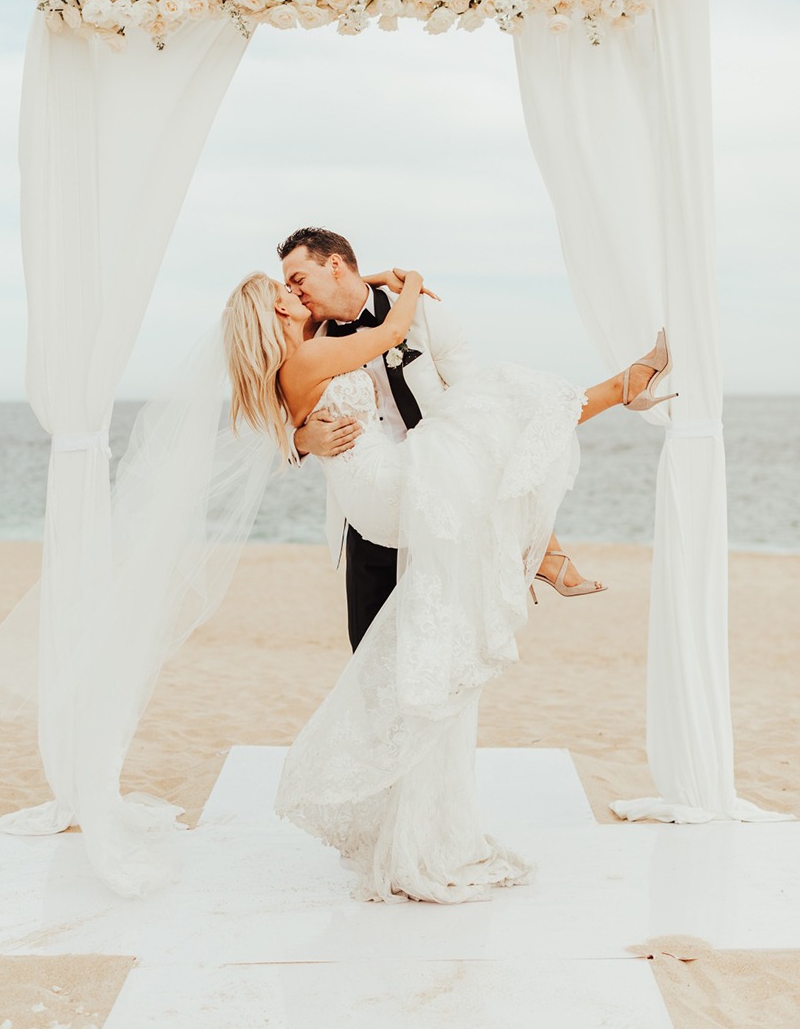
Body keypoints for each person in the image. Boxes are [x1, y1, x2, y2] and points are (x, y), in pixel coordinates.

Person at [223, 266, 675, 903]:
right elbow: (395, 329)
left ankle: (554, 523)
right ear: (271, 318)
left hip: (388, 485)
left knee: (488, 422)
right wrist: (411, 284)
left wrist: (376, 278)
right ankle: (618, 403)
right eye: (283, 295)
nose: (294, 295)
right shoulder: (317, 351)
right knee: (496, 409)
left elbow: (346, 347)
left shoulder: (304, 351)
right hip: (384, 495)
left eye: (297, 283)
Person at [278, 227, 605, 654]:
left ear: (334, 265)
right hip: (366, 513)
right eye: (287, 286)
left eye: (298, 279)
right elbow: (281, 422)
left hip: (441, 498)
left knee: (440, 647)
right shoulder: (309, 339)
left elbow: (479, 403)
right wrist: (303, 439)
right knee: (367, 646)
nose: (294, 293)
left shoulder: (420, 315)